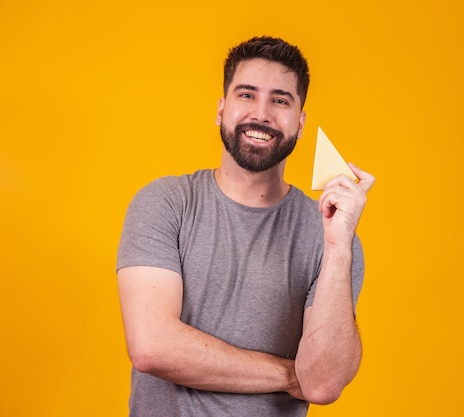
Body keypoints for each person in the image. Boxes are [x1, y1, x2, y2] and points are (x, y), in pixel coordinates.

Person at [116, 35, 375, 417]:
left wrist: (338, 248)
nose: (262, 113)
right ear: (221, 109)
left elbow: (322, 383)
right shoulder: (165, 203)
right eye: (247, 95)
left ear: (300, 123)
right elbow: (152, 347)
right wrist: (290, 375)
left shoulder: (329, 236)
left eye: (280, 100)